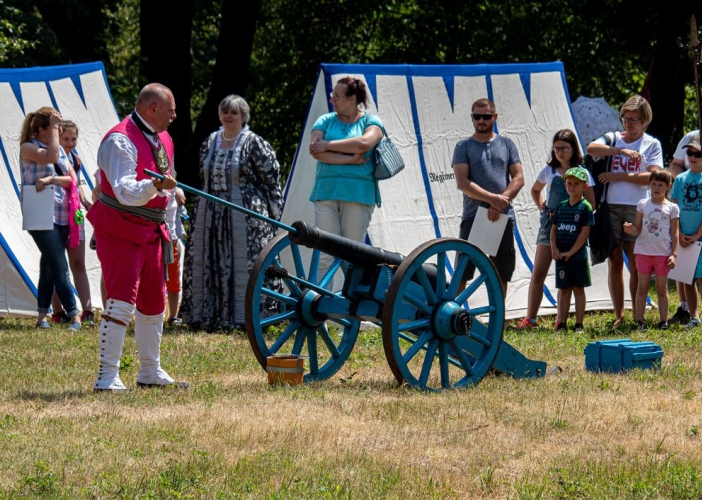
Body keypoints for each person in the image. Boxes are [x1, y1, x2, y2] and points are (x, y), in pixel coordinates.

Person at [87, 83, 187, 391]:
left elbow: (167, 189)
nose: (174, 115)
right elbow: (124, 190)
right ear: (152, 109)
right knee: (120, 302)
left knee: (153, 303)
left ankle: (149, 371)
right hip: (121, 228)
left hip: (153, 231)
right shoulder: (120, 140)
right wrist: (154, 187)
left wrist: (169, 225)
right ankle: (107, 376)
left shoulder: (164, 138)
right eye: (170, 109)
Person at [180, 94, 283, 331]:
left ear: (243, 116)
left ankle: (246, 317)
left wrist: (273, 214)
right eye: (225, 111)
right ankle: (209, 317)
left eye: (234, 112)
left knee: (247, 265)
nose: (228, 116)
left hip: (246, 216)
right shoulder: (210, 141)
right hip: (211, 215)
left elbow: (271, 180)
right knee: (210, 262)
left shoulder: (253, 143)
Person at [585, 95, 663, 328]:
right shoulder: (613, 139)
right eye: (625, 118)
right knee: (615, 261)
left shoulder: (651, 144)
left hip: (639, 207)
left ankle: (637, 312)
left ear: (644, 120)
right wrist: (620, 152)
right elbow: (590, 148)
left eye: (634, 120)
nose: (628, 124)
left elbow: (652, 176)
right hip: (611, 206)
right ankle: (619, 315)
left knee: (637, 261)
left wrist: (620, 176)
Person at [307, 77, 384, 284]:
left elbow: (365, 142)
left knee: (353, 253)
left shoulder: (371, 121)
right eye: (333, 95)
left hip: (358, 194)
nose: (332, 99)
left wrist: (328, 145)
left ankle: (352, 311)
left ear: (352, 99)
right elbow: (316, 151)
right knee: (324, 254)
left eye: (337, 96)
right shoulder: (324, 120)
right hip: (326, 192)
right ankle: (318, 306)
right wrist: (350, 159)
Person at [517, 130, 596, 329]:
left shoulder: (583, 172)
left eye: (564, 148)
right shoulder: (549, 171)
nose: (560, 152)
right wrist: (542, 206)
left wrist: (576, 215)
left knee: (568, 274)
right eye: (556, 148)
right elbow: (535, 190)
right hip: (550, 225)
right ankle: (531, 319)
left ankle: (562, 320)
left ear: (573, 149)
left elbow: (592, 203)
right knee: (539, 272)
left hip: (573, 228)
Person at [452, 97, 524, 296]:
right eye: (477, 116)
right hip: (474, 216)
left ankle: (498, 322)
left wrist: (499, 203)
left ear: (495, 117)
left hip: (501, 216)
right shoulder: (463, 146)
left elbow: (518, 178)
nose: (481, 120)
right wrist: (493, 199)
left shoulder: (507, 144)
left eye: (486, 116)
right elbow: (462, 183)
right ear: (472, 118)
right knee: (463, 274)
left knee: (500, 274)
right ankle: (449, 319)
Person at [19, 107, 82, 331]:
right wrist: (56, 128)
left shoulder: (58, 150)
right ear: (42, 130)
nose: (58, 131)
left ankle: (41, 316)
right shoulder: (29, 147)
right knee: (59, 264)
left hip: (61, 213)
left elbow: (70, 179)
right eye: (54, 128)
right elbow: (51, 156)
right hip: (38, 211)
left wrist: (51, 179)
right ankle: (75, 316)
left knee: (47, 267)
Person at [50, 120, 94, 325]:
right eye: (65, 138)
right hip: (56, 216)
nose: (70, 142)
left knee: (78, 263)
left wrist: (84, 201)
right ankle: (58, 311)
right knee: (58, 265)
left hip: (74, 215)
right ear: (57, 138)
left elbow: (78, 184)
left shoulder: (75, 160)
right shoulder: (51, 158)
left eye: (73, 139)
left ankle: (88, 310)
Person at [623, 168, 679, 330]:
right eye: (653, 184)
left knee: (662, 288)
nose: (656, 188)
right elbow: (637, 228)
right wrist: (630, 229)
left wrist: (674, 254)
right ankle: (639, 320)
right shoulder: (642, 204)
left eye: (661, 184)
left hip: (662, 253)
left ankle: (663, 321)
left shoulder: (672, 208)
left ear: (668, 186)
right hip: (643, 253)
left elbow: (674, 233)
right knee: (642, 287)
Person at [550, 167, 594, 333]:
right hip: (561, 256)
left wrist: (571, 252)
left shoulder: (585, 207)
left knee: (578, 288)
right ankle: (561, 323)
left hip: (577, 257)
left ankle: (579, 324)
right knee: (564, 289)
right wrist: (554, 249)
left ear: (584, 186)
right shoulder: (561, 207)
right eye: (569, 183)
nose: (572, 186)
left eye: (576, 183)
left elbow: (584, 232)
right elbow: (553, 229)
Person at [670, 134, 702, 329]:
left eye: (697, 153)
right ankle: (694, 316)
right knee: (687, 278)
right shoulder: (680, 179)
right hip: (683, 237)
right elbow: (674, 209)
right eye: (689, 152)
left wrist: (698, 234)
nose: (692, 156)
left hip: (699, 236)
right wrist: (679, 233)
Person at [165, 186, 186, 326]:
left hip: (170, 235)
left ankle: (173, 315)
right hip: (151, 233)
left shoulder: (174, 185)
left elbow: (181, 200)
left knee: (173, 278)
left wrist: (171, 185)